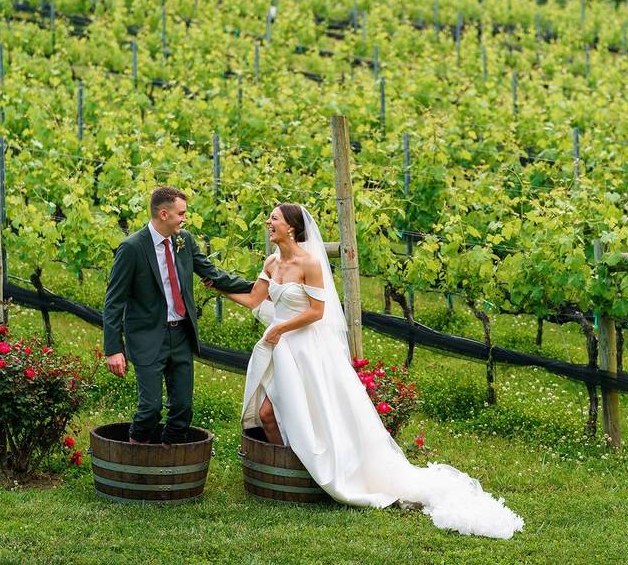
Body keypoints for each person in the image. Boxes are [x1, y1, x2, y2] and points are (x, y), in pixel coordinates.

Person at [213, 203, 524, 539]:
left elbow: (318, 311)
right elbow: (253, 299)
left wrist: (281, 328)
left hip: (306, 350)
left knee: (298, 410)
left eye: (274, 218)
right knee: (270, 414)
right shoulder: (272, 262)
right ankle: (295, 466)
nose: (268, 223)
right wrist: (215, 285)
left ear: (291, 227)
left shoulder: (310, 263)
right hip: (283, 348)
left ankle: (315, 469)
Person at [102, 186, 254, 445]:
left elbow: (212, 274)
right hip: (148, 337)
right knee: (150, 409)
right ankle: (135, 455)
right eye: (181, 213)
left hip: (181, 335)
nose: (184, 218)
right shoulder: (132, 248)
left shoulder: (184, 241)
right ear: (163, 213)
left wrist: (258, 286)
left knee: (183, 410)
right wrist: (113, 349)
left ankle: (167, 459)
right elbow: (113, 303)